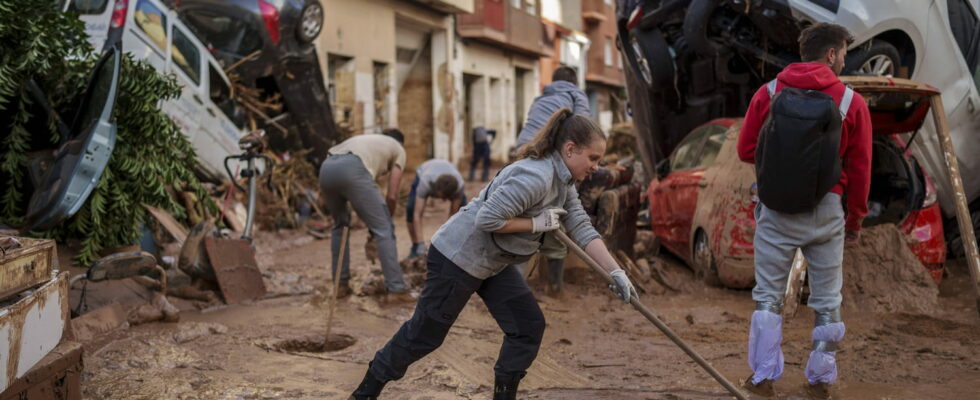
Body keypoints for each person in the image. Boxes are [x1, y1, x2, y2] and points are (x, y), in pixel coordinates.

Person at [349, 110, 637, 400]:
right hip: (458, 257)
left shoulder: (564, 182)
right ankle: (364, 393)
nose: (597, 167)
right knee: (425, 336)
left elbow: (582, 227)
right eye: (594, 158)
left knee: (527, 326)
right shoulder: (535, 176)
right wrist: (536, 224)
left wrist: (614, 272)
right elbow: (487, 219)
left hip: (493, 262)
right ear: (570, 149)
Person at [736, 23, 872, 399]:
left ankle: (763, 378)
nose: (845, 58)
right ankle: (821, 381)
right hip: (827, 210)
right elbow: (860, 171)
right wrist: (855, 219)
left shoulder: (769, 92)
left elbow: (746, 150)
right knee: (828, 301)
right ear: (831, 54)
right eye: (844, 51)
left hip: (776, 208)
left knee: (768, 297)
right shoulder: (851, 102)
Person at [513, 65, 591, 294]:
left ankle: (513, 286)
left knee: (522, 217)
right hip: (549, 159)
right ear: (574, 83)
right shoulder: (576, 95)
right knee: (557, 217)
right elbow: (584, 130)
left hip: (522, 154)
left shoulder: (540, 98)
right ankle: (555, 286)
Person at [319, 129, 414, 303]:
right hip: (354, 168)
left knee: (340, 226)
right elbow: (392, 195)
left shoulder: (367, 140)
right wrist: (384, 221)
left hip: (327, 168)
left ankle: (340, 286)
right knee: (384, 229)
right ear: (400, 142)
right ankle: (396, 290)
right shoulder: (398, 149)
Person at [406, 159, 467, 258]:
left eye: (445, 198)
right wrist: (421, 243)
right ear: (435, 189)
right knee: (411, 209)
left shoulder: (459, 186)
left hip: (452, 180)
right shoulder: (425, 182)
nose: (442, 201)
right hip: (424, 170)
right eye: (441, 196)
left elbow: (453, 217)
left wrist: (446, 244)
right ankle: (415, 246)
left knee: (463, 215)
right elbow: (417, 214)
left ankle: (457, 248)